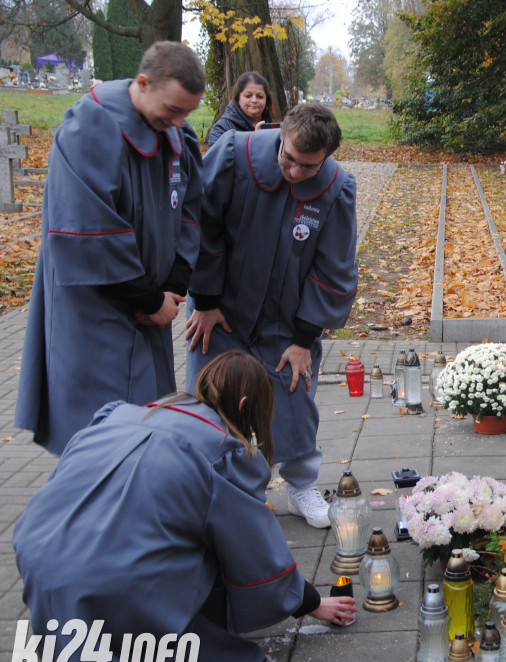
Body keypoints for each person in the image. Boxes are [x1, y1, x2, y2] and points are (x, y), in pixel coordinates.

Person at [13, 350, 357, 662]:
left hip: (42, 567)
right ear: (245, 407)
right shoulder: (222, 452)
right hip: (108, 590)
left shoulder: (119, 415)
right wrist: (310, 602)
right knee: (207, 556)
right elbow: (256, 554)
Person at [14, 41, 206, 455]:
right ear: (142, 83)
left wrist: (175, 281)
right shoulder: (90, 127)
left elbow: (190, 208)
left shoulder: (174, 130)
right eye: (174, 110)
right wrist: (146, 296)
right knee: (96, 431)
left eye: (187, 112)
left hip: (153, 306)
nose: (179, 121)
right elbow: (86, 225)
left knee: (146, 423)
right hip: (97, 309)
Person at [186, 104, 358, 529]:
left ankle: (300, 486)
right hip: (220, 310)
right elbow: (201, 224)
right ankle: (223, 487)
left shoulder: (336, 188)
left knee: (294, 394)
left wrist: (303, 337)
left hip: (286, 320)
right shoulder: (233, 155)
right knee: (217, 396)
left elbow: (333, 267)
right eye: (288, 158)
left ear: (327, 158)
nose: (295, 172)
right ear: (279, 135)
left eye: (308, 166)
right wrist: (205, 301)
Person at [206, 71, 275, 147]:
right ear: (238, 98)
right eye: (248, 96)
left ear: (267, 99)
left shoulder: (274, 127)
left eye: (260, 96)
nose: (254, 100)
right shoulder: (222, 128)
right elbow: (216, 157)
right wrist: (254, 140)